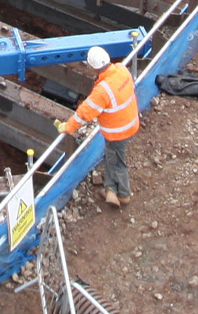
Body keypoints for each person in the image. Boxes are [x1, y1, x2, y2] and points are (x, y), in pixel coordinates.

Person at [55, 46, 139, 207]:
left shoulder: (102, 90)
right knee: (112, 158)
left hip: (117, 132)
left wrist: (68, 127)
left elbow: (84, 113)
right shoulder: (121, 70)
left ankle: (123, 194)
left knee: (116, 161)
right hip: (130, 122)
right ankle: (110, 189)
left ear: (93, 66)